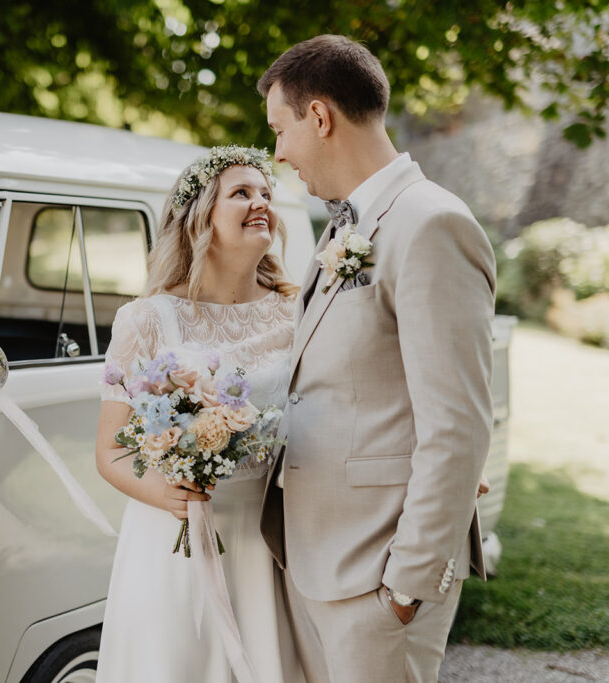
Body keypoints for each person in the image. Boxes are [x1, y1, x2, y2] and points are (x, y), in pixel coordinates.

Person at [257, 35, 496, 683]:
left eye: (280, 130)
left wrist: (407, 586)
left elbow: (459, 424)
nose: (278, 152)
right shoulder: (345, 226)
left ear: (320, 117)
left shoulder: (430, 224)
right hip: (318, 558)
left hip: (377, 578)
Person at [94, 146, 304, 682]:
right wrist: (166, 493)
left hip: (268, 535)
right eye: (241, 193)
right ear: (200, 216)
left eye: (266, 193)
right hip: (174, 539)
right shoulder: (146, 319)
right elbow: (112, 450)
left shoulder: (297, 308)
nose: (260, 202)